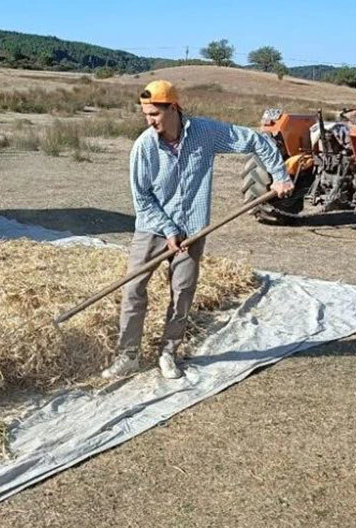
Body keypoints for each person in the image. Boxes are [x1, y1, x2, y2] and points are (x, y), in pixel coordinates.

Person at [101, 80, 294, 380]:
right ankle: (129, 356)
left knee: (182, 293)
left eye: (154, 114)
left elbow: (256, 141)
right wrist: (167, 230)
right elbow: (142, 198)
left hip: (192, 230)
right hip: (152, 228)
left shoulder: (205, 133)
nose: (150, 121)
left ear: (173, 108)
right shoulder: (143, 147)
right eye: (145, 115)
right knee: (133, 288)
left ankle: (168, 353)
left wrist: (279, 175)